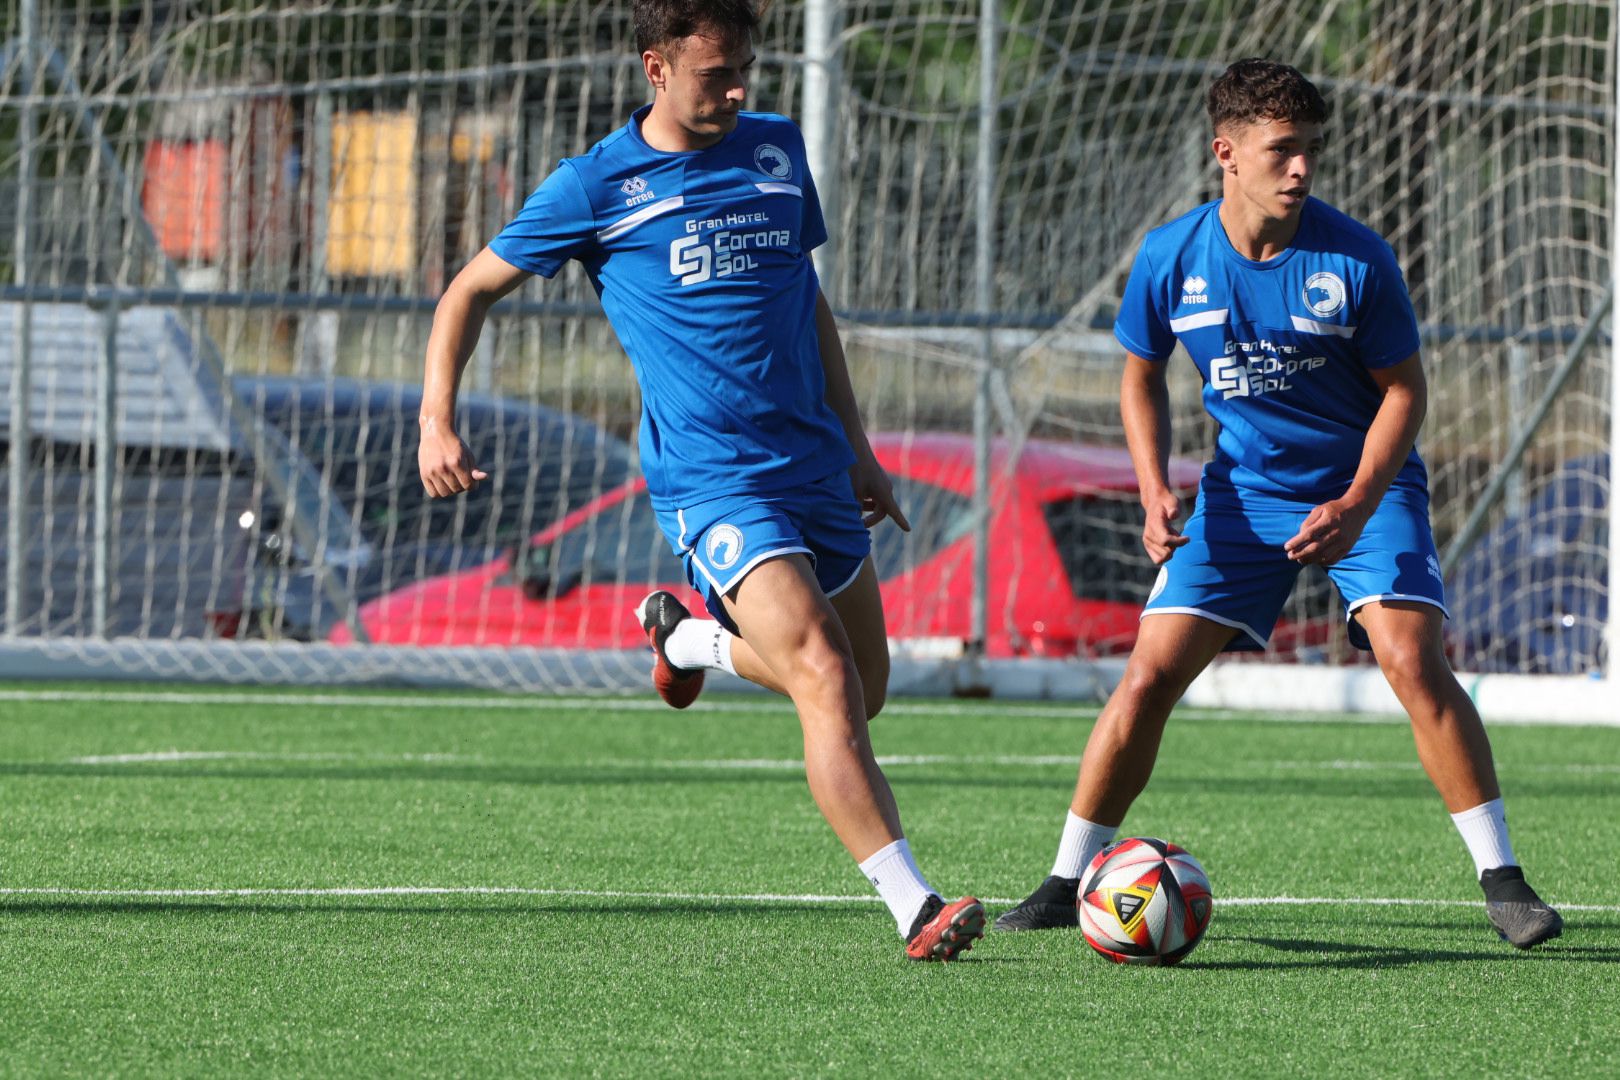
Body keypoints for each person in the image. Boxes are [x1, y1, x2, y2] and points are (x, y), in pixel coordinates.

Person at [416, 0, 983, 962]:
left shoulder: (774, 147)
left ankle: (690, 640)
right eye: (716, 73)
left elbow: (807, 301)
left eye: (745, 69)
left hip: (813, 463)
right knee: (823, 672)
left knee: (863, 687)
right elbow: (468, 291)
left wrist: (857, 445)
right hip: (713, 480)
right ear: (656, 68)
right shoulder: (595, 184)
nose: (737, 89)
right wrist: (437, 418)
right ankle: (913, 904)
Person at [993, 58, 1561, 949]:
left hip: (1364, 490)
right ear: (1226, 152)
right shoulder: (1170, 255)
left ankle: (1505, 881)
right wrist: (1154, 486)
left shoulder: (1355, 258)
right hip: (1241, 497)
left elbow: (1406, 392)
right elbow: (1140, 375)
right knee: (1147, 676)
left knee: (1411, 660)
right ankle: (1067, 880)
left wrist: (1358, 502)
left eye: (1311, 150)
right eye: (1281, 150)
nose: (1302, 169)